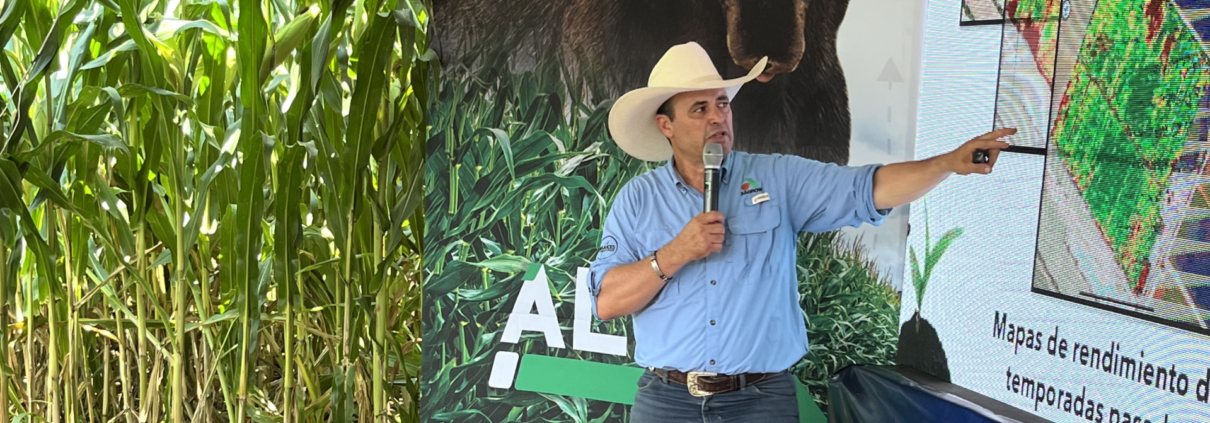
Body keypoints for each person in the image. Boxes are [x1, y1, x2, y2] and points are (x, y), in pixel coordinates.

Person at [587, 42, 1014, 422]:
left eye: (722, 103)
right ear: (666, 126)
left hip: (759, 401)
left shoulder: (777, 178)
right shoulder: (638, 200)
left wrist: (946, 164)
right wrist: (675, 253)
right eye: (700, 109)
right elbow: (606, 301)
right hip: (668, 402)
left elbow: (869, 188)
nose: (718, 117)